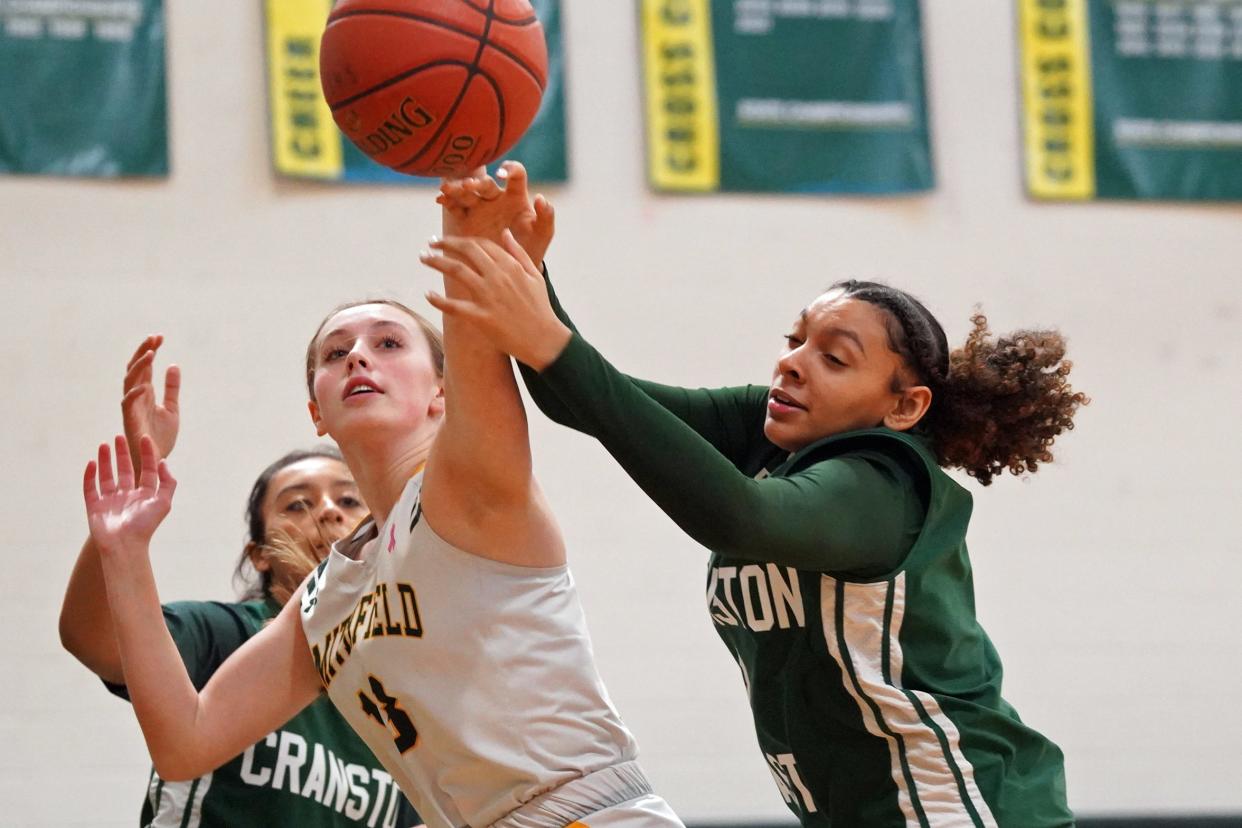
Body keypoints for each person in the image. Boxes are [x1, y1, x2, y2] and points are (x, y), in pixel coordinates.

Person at [428, 163, 1086, 827]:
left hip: (957, 807)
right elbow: (587, 402)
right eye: (795, 339)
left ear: (905, 406)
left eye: (835, 357)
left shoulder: (883, 485)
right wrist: (525, 271)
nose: (793, 361)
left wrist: (545, 336)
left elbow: (738, 516)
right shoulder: (768, 429)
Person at [77, 200, 684, 827]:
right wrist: (125, 549)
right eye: (335, 354)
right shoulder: (325, 598)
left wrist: (468, 237)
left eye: (388, 343)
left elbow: (476, 343)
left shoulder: (464, 488)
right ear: (316, 410)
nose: (358, 358)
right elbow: (186, 743)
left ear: (442, 392)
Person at [60, 336, 423, 828]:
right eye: (297, 504)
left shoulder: (395, 697)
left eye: (349, 501)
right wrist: (118, 542)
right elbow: (92, 639)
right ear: (260, 554)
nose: (329, 511)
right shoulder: (227, 634)